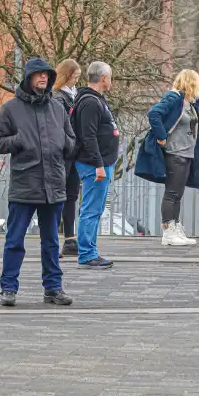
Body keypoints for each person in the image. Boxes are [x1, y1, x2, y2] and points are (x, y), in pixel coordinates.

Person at [0, 58, 76, 307]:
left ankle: (53, 288)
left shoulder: (58, 108)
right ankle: (8, 287)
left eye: (47, 75)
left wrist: (64, 144)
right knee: (15, 240)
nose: (43, 79)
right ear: (28, 78)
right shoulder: (11, 108)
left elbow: (71, 140)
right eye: (38, 75)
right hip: (24, 185)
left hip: (53, 185)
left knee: (51, 242)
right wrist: (18, 141)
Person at [139, 69, 199, 247]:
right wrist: (162, 136)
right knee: (172, 192)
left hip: (186, 152)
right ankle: (168, 230)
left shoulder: (189, 103)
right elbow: (154, 113)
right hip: (175, 152)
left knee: (178, 193)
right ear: (191, 83)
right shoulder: (174, 98)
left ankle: (175, 228)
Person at [71, 61, 119, 269]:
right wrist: (98, 164)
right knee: (91, 208)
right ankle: (87, 253)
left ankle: (90, 250)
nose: (111, 81)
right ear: (103, 78)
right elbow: (88, 136)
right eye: (110, 77)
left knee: (95, 208)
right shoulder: (90, 102)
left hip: (99, 163)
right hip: (94, 165)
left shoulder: (94, 100)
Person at [52, 58, 81, 257]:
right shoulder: (57, 97)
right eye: (74, 77)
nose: (76, 81)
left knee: (71, 196)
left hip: (73, 152)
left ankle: (70, 238)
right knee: (58, 197)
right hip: (63, 154)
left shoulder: (74, 95)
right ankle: (53, 238)